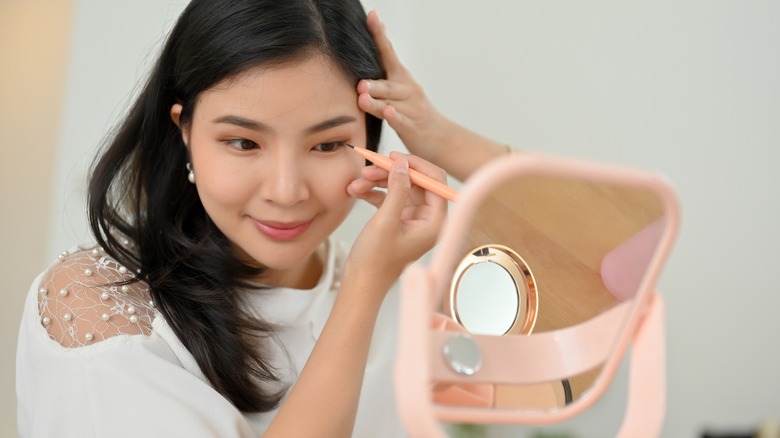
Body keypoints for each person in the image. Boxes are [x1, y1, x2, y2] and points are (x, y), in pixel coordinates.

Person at [16, 1, 508, 437]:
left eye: (329, 144)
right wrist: (365, 289)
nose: (286, 191)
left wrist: (441, 138)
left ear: (371, 145)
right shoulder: (95, 312)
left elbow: (587, 255)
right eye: (244, 143)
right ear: (183, 131)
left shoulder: (406, 293)